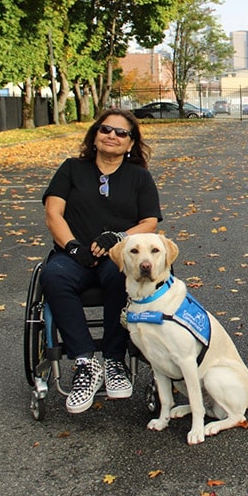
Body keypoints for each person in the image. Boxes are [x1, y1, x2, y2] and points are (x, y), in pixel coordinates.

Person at [41, 108, 162, 413]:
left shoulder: (139, 177)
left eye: (122, 133)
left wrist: (119, 237)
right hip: (73, 255)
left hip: (116, 257)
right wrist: (72, 247)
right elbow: (53, 213)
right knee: (53, 276)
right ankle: (85, 364)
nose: (113, 136)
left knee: (120, 276)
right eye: (106, 130)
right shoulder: (71, 169)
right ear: (94, 136)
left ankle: (113, 360)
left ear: (131, 143)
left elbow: (149, 222)